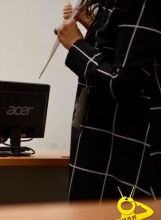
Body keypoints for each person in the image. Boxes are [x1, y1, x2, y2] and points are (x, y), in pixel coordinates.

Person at [56, 0, 161, 201]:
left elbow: (123, 84)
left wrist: (77, 45)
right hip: (106, 146)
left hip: (127, 151)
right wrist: (95, 30)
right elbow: (123, 58)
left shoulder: (143, 4)